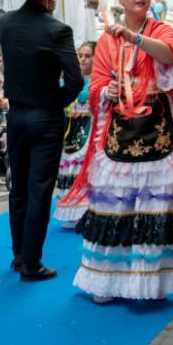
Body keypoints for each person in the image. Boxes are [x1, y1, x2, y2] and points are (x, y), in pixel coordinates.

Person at [59, 0, 173, 303]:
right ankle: (107, 282)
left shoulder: (160, 30)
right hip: (118, 133)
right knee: (116, 206)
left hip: (158, 131)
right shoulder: (107, 40)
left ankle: (148, 281)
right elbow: (94, 86)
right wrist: (106, 89)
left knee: (153, 206)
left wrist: (134, 39)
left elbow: (169, 54)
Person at [0, 0, 83, 281]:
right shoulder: (58, 29)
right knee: (39, 191)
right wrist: (53, 104)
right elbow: (74, 82)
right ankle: (32, 263)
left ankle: (19, 255)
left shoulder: (5, 24)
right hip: (45, 117)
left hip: (16, 114)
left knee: (17, 188)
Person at [53, 41, 96, 228]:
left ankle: (87, 212)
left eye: (87, 55)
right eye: (80, 55)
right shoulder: (68, 79)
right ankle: (73, 213)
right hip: (69, 130)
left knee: (84, 172)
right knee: (68, 171)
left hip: (89, 131)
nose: (83, 59)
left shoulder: (99, 80)